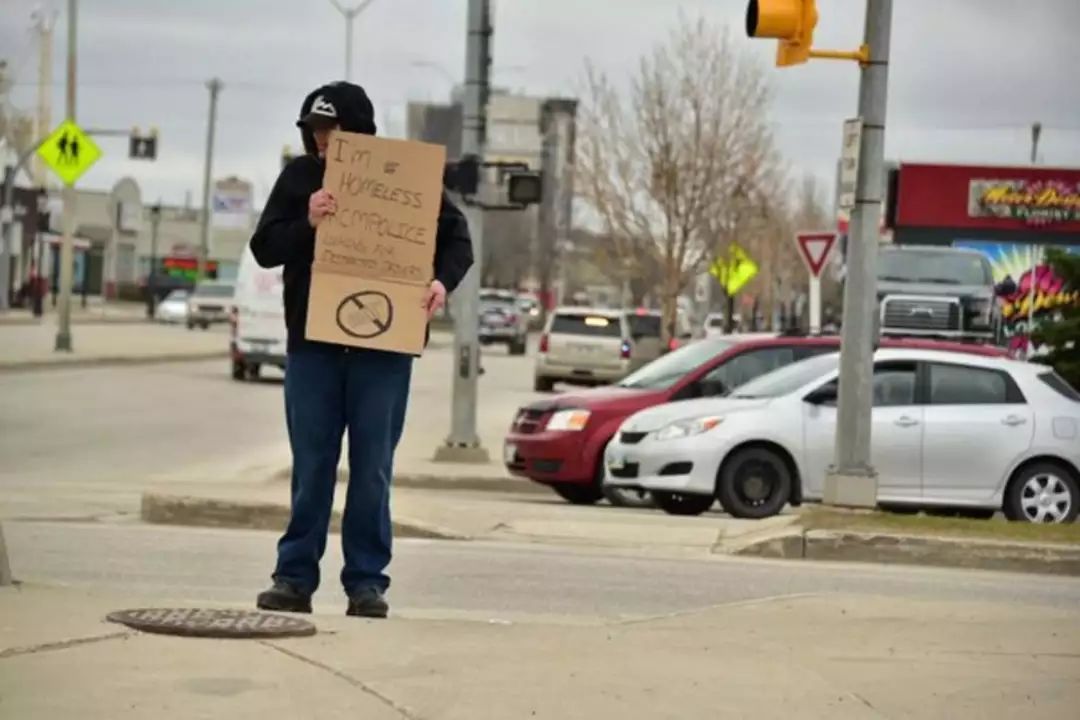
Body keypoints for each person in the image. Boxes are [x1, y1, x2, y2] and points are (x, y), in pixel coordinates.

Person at [250, 81, 473, 618]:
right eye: (314, 131)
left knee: (372, 468)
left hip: (383, 350)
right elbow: (264, 249)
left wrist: (441, 283)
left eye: (331, 130)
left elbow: (457, 239)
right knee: (312, 465)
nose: (322, 140)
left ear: (360, 134)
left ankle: (367, 583)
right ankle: (294, 577)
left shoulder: (406, 180)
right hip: (314, 346)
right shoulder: (300, 179)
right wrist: (307, 219)